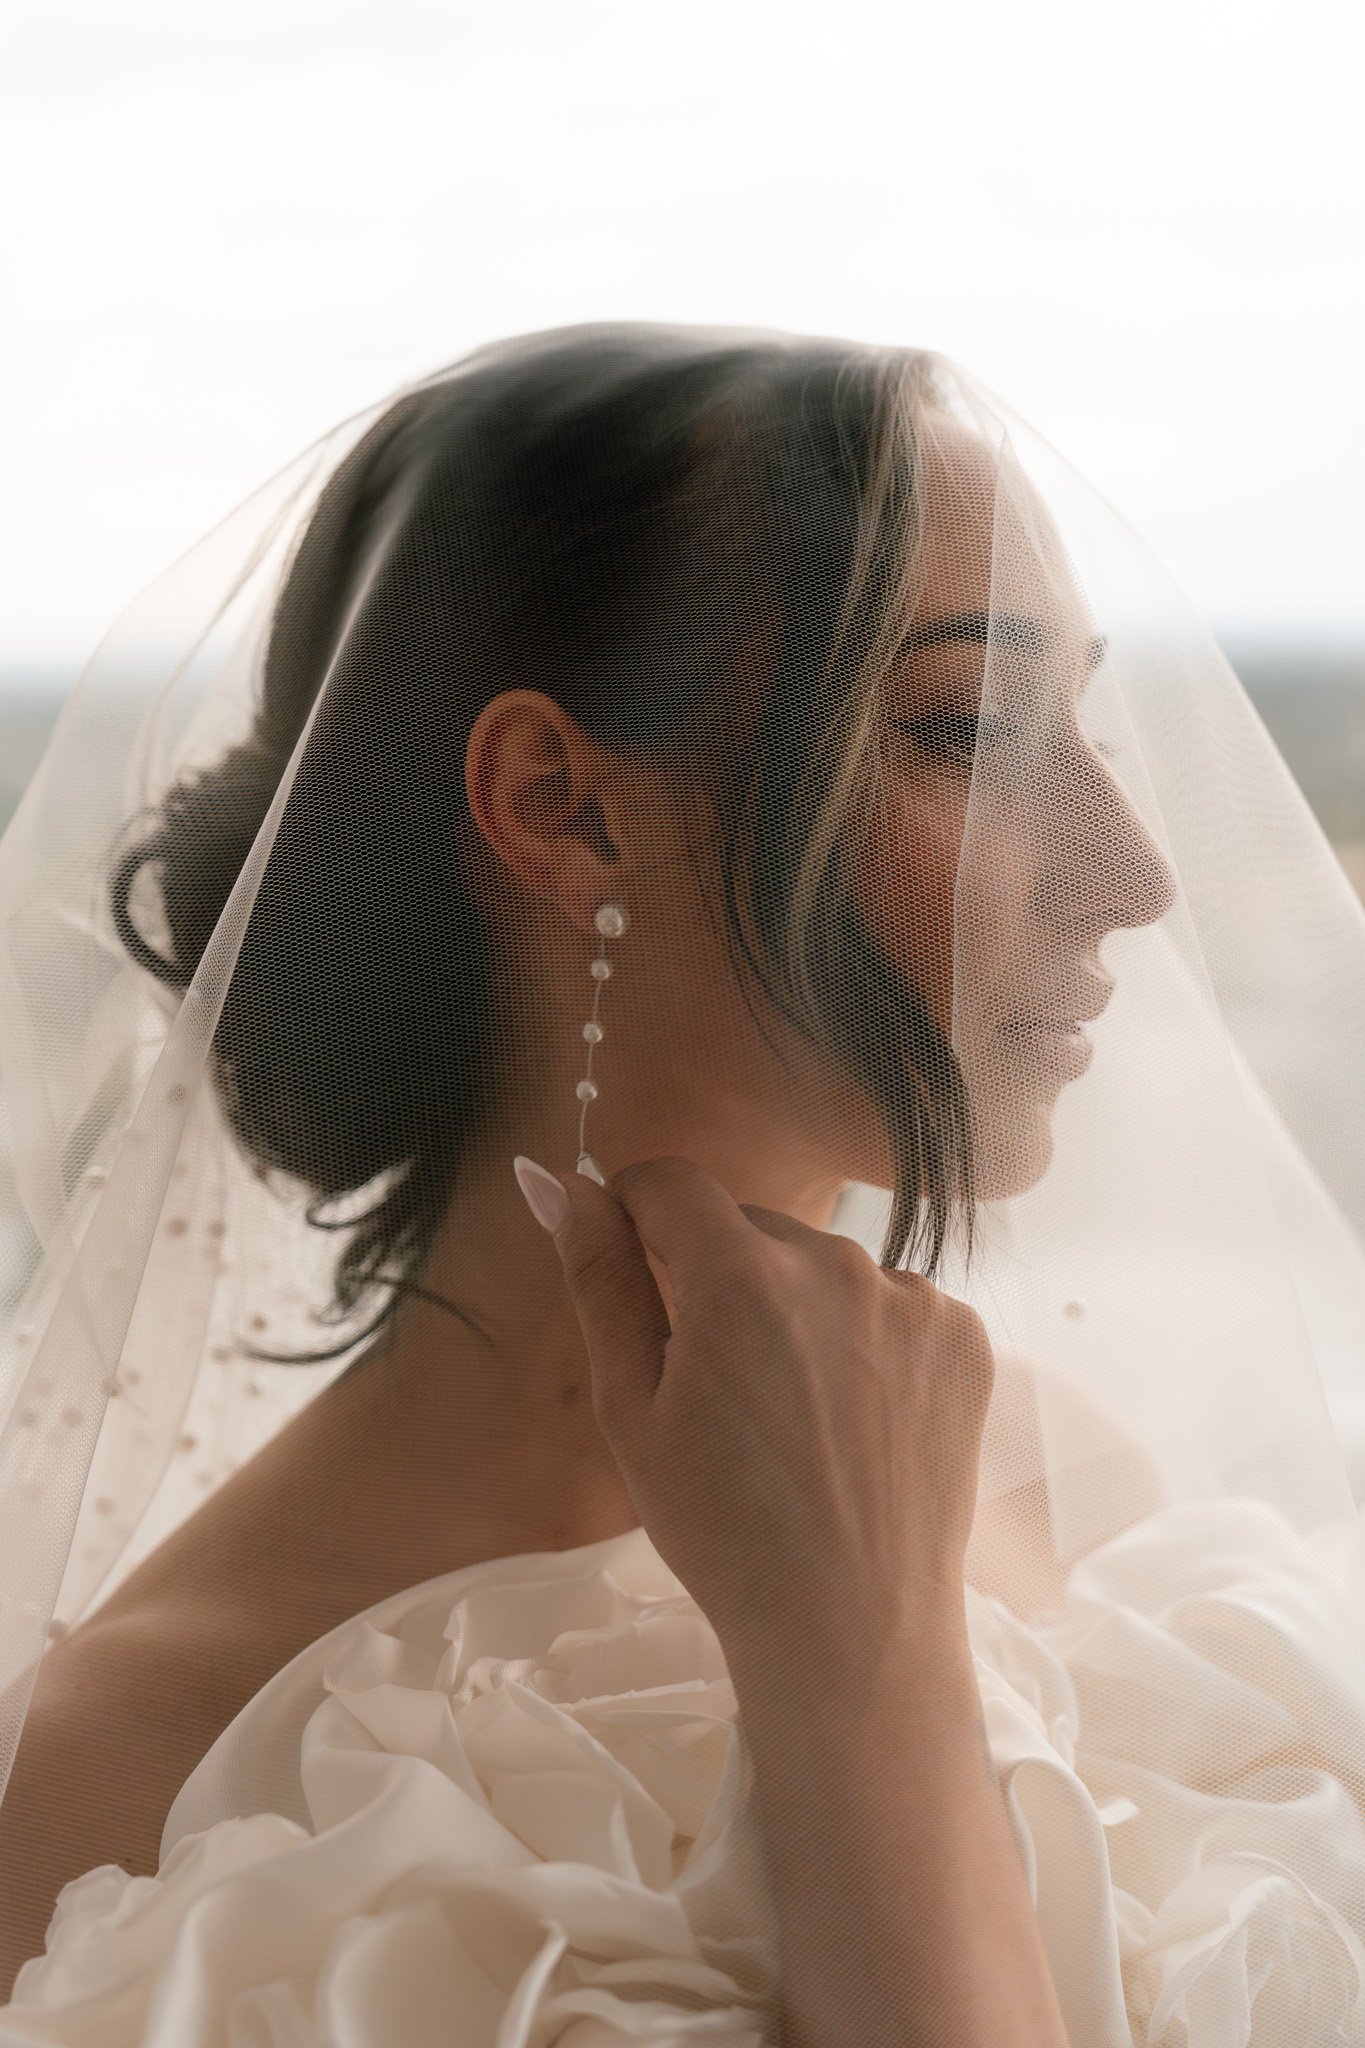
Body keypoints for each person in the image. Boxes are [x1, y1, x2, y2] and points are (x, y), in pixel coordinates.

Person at [0, 323, 1362, 2045]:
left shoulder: (1079, 1494)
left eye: (1078, 724)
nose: (1134, 869)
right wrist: (856, 1668)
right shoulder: (115, 1780)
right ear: (559, 809)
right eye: (966, 729)